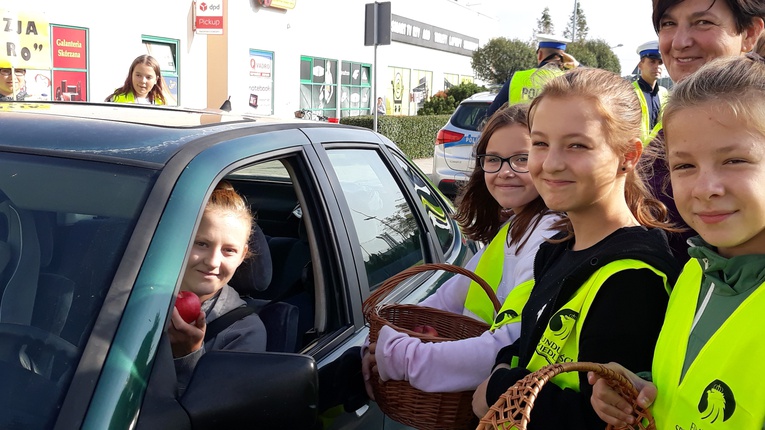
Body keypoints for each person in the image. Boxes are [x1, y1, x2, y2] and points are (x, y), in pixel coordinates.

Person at [471, 67, 682, 429]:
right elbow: (528, 342)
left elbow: (602, 418)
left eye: (577, 145)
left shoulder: (633, 278)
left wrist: (499, 388)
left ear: (628, 155)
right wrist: (506, 368)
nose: (551, 163)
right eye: (539, 144)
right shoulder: (555, 249)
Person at [590, 53, 765, 430]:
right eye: (684, 166)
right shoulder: (693, 273)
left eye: (735, 160)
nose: (705, 189)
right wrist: (638, 388)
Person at [361, 103, 562, 395]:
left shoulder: (546, 235)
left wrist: (402, 357)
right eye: (493, 159)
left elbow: (512, 340)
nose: (504, 172)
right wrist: (383, 338)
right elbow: (449, 297)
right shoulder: (514, 228)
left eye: (521, 158)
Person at [641, 0, 764, 264]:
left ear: (751, 33)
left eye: (703, 22)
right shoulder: (661, 137)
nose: (680, 42)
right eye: (668, 24)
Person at [169, 180, 267, 392]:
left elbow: (214, 413)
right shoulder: (131, 296)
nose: (213, 261)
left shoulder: (244, 331)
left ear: (243, 255)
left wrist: (188, 354)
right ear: (178, 240)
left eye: (229, 250)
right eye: (201, 243)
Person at [485, 34, 576, 118]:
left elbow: (491, 113)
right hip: (552, 135)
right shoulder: (569, 79)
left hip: (519, 134)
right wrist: (577, 65)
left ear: (539, 54)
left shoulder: (518, 77)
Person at [633, 40, 669, 144]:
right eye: (652, 61)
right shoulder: (630, 92)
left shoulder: (663, 93)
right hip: (636, 154)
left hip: (658, 154)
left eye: (660, 62)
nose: (657, 66)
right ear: (640, 65)